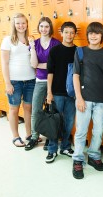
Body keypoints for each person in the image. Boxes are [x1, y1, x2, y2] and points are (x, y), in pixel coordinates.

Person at [72, 22, 103, 179]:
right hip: (84, 99)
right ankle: (77, 160)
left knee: (98, 131)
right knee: (81, 132)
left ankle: (94, 156)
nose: (93, 36)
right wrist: (79, 98)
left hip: (101, 101)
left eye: (97, 33)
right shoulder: (80, 52)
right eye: (91, 33)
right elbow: (75, 75)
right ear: (87, 35)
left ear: (102, 36)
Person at [24, 17, 61, 151]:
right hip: (40, 81)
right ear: (38, 28)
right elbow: (33, 64)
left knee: (52, 111)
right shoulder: (35, 43)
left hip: (54, 82)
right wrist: (33, 47)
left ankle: (50, 137)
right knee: (36, 110)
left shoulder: (56, 43)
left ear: (50, 28)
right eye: (41, 26)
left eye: (46, 26)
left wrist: (41, 65)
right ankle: (34, 137)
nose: (44, 29)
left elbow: (56, 65)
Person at [44, 21, 77, 163]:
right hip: (57, 93)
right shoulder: (55, 51)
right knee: (54, 123)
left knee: (69, 122)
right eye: (66, 32)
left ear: (75, 34)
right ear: (61, 33)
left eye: (72, 32)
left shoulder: (78, 51)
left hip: (71, 94)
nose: (69, 35)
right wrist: (49, 92)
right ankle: (52, 149)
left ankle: (65, 146)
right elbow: (50, 73)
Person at [1, 13, 36, 147]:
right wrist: (7, 83)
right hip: (14, 81)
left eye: (23, 23)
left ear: (27, 24)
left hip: (31, 80)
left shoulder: (30, 39)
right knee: (14, 109)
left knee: (28, 108)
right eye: (18, 23)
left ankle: (29, 134)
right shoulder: (8, 40)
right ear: (14, 25)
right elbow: (4, 63)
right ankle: (16, 137)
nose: (21, 26)